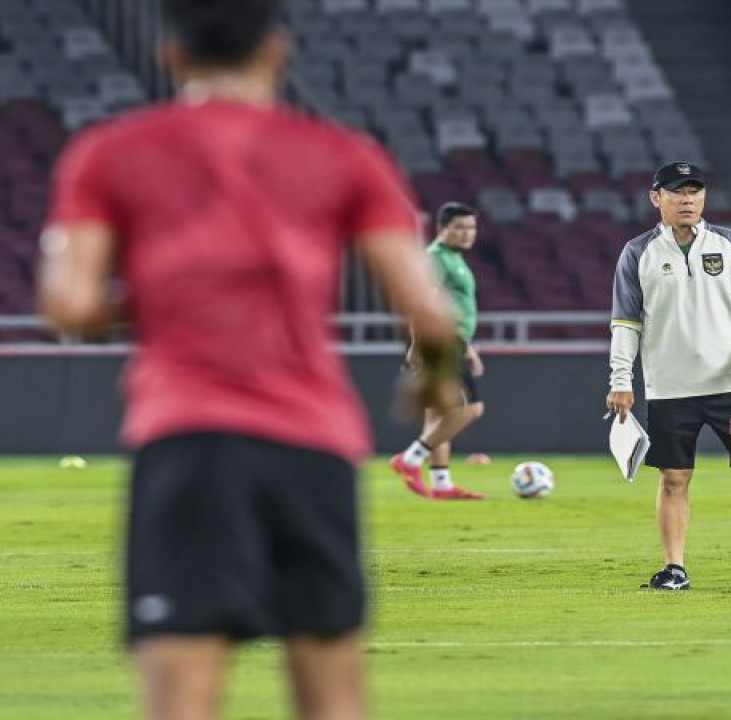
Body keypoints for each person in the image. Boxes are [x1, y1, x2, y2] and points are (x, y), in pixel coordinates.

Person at [37, 1, 459, 718]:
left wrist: (164, 300)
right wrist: (436, 385)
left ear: (171, 55)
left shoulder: (109, 153)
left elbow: (69, 305)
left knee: (183, 698)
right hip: (315, 442)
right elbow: (428, 311)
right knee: (333, 699)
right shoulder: (346, 156)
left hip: (189, 439)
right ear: (276, 51)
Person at [606, 161, 731, 591]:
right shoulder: (638, 252)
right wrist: (620, 380)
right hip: (669, 389)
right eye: (677, 192)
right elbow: (626, 322)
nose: (687, 199)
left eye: (694, 191)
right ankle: (674, 568)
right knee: (674, 479)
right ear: (656, 198)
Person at [389, 202, 487, 500]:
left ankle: (441, 483)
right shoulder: (435, 258)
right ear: (442, 229)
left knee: (438, 415)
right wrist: (419, 347)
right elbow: (423, 304)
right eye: (459, 228)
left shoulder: (453, 258)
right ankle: (410, 459)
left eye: (471, 228)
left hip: (453, 342)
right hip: (439, 343)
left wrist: (468, 346)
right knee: (469, 409)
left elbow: (451, 307)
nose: (467, 234)